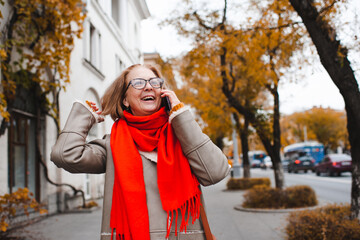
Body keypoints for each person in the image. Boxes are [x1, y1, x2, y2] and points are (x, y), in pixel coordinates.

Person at [50, 64, 230, 240]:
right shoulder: (112, 144)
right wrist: (85, 115)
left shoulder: (183, 134)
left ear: (163, 94)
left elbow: (217, 172)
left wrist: (180, 115)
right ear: (125, 100)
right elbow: (65, 155)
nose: (148, 86)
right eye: (138, 83)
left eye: (155, 82)